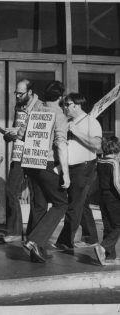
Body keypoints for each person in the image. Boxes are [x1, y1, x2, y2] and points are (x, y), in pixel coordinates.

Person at [22, 81, 70, 263]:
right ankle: (35, 240)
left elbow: (23, 134)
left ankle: (36, 250)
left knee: (39, 204)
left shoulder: (35, 111)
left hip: (31, 161)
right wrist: (65, 173)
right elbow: (60, 144)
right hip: (48, 163)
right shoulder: (59, 115)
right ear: (61, 97)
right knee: (61, 203)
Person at [54, 93, 101, 249]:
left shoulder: (91, 122)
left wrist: (76, 132)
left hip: (84, 166)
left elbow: (97, 145)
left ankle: (65, 241)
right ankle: (91, 237)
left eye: (67, 104)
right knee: (82, 203)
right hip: (70, 167)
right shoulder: (68, 122)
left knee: (73, 205)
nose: (65, 107)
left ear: (76, 105)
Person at [0, 79, 43, 243]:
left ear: (30, 92)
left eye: (20, 93)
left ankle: (33, 233)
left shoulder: (41, 106)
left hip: (33, 155)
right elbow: (14, 127)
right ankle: (14, 231)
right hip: (18, 154)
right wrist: (7, 134)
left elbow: (39, 132)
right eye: (16, 93)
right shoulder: (18, 106)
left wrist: (19, 132)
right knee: (11, 191)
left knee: (35, 195)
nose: (17, 96)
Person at [94, 136, 120, 265]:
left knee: (108, 225)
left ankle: (110, 256)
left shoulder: (100, 161)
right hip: (113, 198)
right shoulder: (113, 163)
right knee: (118, 225)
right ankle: (103, 247)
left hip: (102, 197)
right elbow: (116, 183)